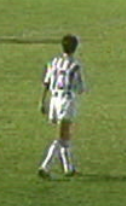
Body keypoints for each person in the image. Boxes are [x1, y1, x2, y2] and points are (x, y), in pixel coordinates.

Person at [38, 34, 86, 179]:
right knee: (62, 136)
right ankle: (45, 166)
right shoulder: (75, 66)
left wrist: (42, 101)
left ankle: (68, 168)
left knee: (66, 136)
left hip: (54, 100)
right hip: (66, 100)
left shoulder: (54, 62)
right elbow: (80, 88)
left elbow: (46, 82)